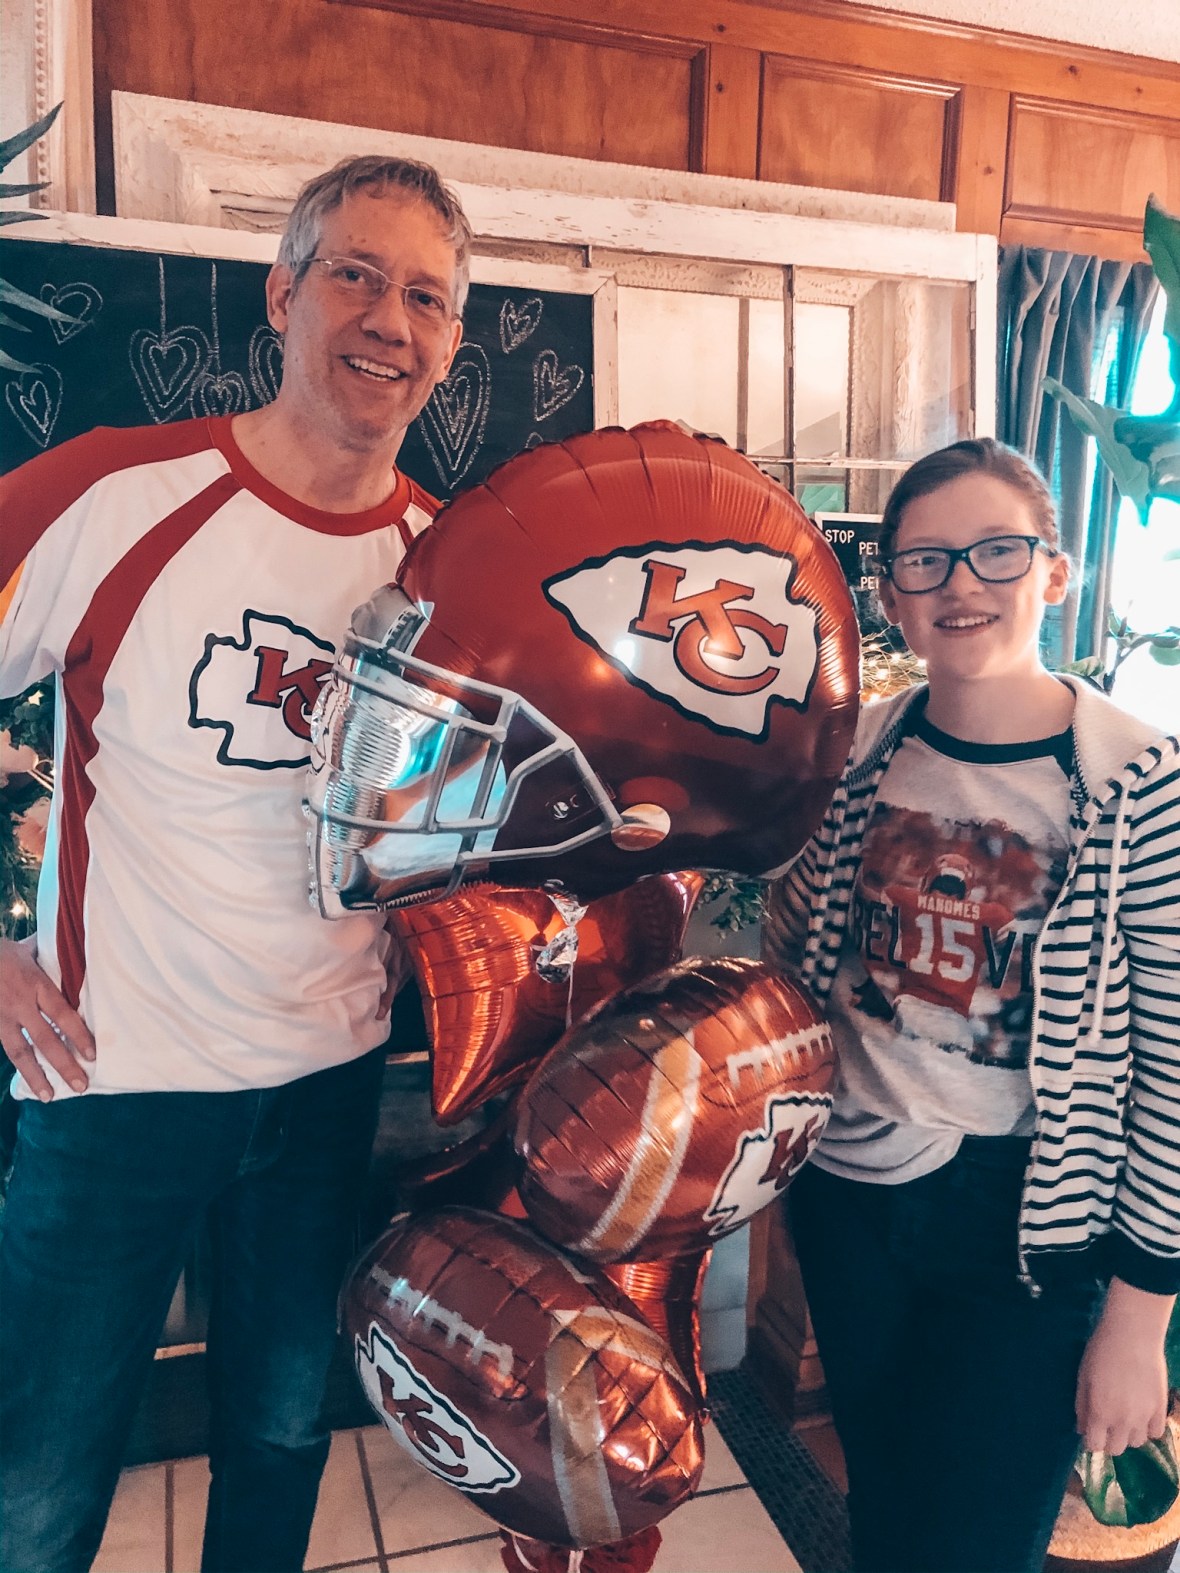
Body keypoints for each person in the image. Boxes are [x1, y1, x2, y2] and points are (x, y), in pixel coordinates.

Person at [0, 154, 468, 1572]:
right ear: (282, 293)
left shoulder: (450, 565)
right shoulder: (112, 494)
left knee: (275, 1442)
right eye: (356, 274)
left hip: (327, 1082)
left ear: (451, 340)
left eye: (427, 297)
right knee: (37, 1486)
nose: (389, 319)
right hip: (115, 1081)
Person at [764, 437, 1180, 1573]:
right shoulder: (858, 755)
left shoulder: (1137, 785)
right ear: (892, 590)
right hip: (850, 1193)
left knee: (980, 1545)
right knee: (887, 1514)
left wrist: (1140, 1316)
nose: (960, 584)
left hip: (1025, 1227)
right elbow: (795, 956)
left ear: (1054, 572)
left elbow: (1171, 1071)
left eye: (997, 551)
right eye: (926, 559)